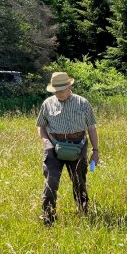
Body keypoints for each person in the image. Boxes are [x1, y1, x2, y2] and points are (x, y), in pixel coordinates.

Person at [36, 72, 100, 225]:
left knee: (79, 181)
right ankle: (48, 218)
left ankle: (83, 213)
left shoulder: (83, 103)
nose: (58, 93)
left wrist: (95, 151)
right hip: (53, 147)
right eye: (56, 91)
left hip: (78, 146)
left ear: (70, 86)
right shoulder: (47, 103)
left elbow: (91, 128)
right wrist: (46, 142)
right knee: (51, 183)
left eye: (61, 90)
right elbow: (41, 126)